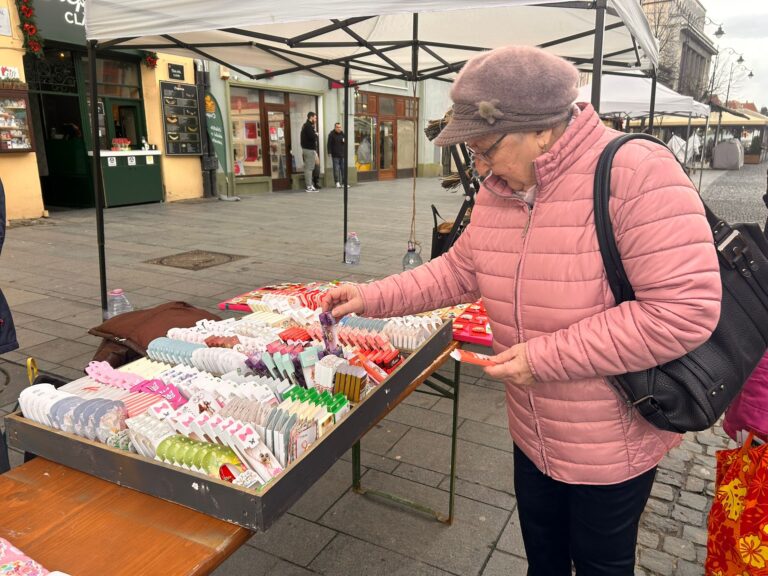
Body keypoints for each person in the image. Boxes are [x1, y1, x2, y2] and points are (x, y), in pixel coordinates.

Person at [322, 45, 721, 576]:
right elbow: (458, 271)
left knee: (602, 563)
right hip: (533, 427)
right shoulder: (501, 189)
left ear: (540, 129)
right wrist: (371, 298)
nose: (480, 164)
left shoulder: (637, 171)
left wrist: (543, 359)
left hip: (610, 436)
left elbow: (683, 310)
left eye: (485, 147)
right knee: (543, 561)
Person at [300, 112, 320, 192]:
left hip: (310, 149)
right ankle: (309, 186)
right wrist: (316, 134)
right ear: (311, 117)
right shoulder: (308, 126)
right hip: (308, 149)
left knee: (314, 166)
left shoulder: (308, 126)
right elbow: (312, 137)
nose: (315, 119)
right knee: (309, 168)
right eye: (315, 118)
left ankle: (312, 184)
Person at [327, 123, 346, 188]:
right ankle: (337, 182)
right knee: (336, 169)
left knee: (343, 169)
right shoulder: (331, 134)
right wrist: (329, 152)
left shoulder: (343, 134)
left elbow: (344, 143)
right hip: (335, 155)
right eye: (337, 127)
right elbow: (329, 144)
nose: (339, 128)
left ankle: (344, 183)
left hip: (342, 155)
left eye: (340, 127)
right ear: (335, 127)